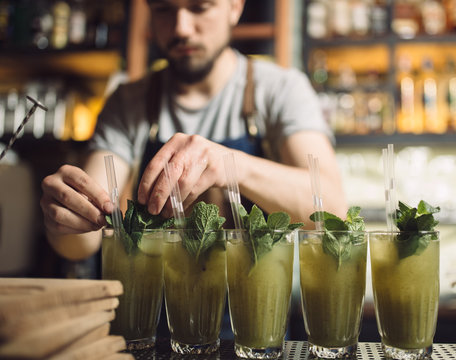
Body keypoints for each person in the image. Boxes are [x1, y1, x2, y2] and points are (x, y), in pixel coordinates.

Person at [40, 0, 348, 261]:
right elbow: (81, 244)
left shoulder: (281, 90)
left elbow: (332, 208)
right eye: (163, 9)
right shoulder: (127, 103)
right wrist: (65, 219)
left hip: (257, 315)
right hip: (161, 317)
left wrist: (231, 164)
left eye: (199, 7)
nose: (181, 28)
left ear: (235, 6)